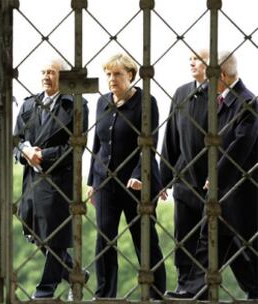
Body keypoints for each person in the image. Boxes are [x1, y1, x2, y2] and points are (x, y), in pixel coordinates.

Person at [166, 51, 258, 300]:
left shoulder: (247, 102)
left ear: (224, 76)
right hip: (224, 190)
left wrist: (216, 175)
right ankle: (195, 290)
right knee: (214, 240)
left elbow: (239, 147)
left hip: (240, 190)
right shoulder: (224, 100)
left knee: (245, 247)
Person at [86, 53, 166, 299]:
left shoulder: (146, 103)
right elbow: (97, 144)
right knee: (105, 240)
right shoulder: (102, 103)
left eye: (117, 74)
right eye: (109, 74)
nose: (112, 79)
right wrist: (91, 182)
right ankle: (105, 294)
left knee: (144, 238)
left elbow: (148, 144)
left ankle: (155, 292)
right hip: (105, 182)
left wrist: (138, 175)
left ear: (130, 75)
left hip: (135, 184)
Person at [13, 58, 89, 298]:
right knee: (34, 231)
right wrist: (26, 153)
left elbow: (76, 145)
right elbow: (16, 140)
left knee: (54, 235)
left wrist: (42, 155)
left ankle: (45, 290)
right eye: (43, 72)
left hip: (58, 180)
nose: (46, 76)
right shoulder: (28, 105)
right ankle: (74, 274)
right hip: (32, 180)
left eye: (52, 72)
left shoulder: (75, 104)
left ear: (63, 77)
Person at [160, 49, 210, 293]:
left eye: (198, 59)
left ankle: (202, 288)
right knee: (183, 237)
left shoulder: (220, 94)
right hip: (183, 179)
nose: (193, 63)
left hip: (211, 180)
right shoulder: (181, 92)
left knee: (210, 239)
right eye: (190, 58)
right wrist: (163, 179)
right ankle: (183, 287)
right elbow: (170, 137)